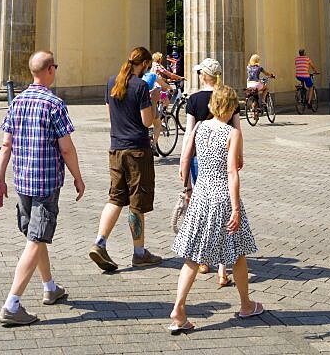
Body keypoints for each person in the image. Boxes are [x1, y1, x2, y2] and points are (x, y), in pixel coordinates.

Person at [0, 50, 85, 327]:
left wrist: (0, 179)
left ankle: (50, 287)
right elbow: (66, 149)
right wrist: (78, 178)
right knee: (36, 239)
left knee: (36, 236)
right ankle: (12, 303)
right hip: (46, 182)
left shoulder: (17, 101)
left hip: (22, 180)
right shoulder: (54, 104)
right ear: (49, 70)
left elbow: (6, 144)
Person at [170, 84, 261, 333]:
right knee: (238, 252)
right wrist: (236, 209)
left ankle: (178, 307)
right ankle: (245, 304)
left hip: (201, 196)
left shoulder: (200, 127)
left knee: (192, 256)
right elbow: (233, 171)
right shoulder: (232, 133)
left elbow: (187, 154)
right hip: (221, 196)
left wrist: (186, 179)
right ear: (231, 107)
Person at [88, 46, 161, 273]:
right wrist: (154, 101)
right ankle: (139, 253)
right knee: (136, 202)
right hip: (137, 150)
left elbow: (111, 113)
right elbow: (147, 121)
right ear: (145, 64)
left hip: (116, 148)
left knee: (115, 198)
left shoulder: (112, 81)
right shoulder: (140, 86)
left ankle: (100, 243)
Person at [180, 57, 243, 286]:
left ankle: (203, 260)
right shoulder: (228, 96)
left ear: (203, 76)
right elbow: (237, 128)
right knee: (225, 215)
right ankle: (222, 270)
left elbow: (189, 134)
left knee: (203, 212)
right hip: (226, 158)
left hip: (200, 161)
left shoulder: (194, 99)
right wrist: (240, 155)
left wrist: (183, 163)